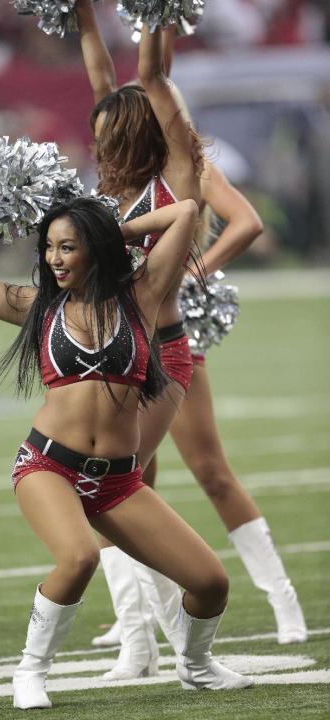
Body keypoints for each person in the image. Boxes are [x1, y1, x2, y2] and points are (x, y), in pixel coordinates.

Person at [0, 192, 255, 710]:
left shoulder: (143, 296)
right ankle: (30, 671)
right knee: (79, 558)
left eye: (68, 247)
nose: (54, 259)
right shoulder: (39, 307)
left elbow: (187, 213)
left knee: (210, 583)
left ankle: (196, 668)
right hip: (48, 466)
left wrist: (114, 233)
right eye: (49, 248)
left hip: (118, 482)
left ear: (95, 250)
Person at [72, 1, 307, 675]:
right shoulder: (107, 187)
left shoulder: (175, 176)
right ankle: (139, 627)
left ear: (135, 135)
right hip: (113, 349)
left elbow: (147, 75)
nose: (94, 144)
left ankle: (265, 607)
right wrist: (82, 11)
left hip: (166, 347)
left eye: (106, 134)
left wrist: (152, 16)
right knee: (117, 484)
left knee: (195, 471)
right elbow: (101, 73)